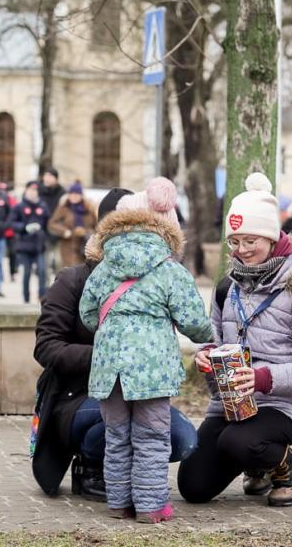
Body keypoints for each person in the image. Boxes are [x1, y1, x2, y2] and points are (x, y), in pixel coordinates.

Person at [33, 187, 200, 505]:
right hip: (80, 396)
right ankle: (91, 465)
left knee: (182, 438)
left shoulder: (156, 276)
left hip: (139, 388)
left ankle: (136, 486)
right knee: (118, 425)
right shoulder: (74, 280)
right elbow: (47, 347)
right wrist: (111, 357)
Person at [178, 173, 292, 509]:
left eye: (251, 241)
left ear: (271, 237)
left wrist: (263, 378)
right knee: (193, 486)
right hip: (231, 405)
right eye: (234, 242)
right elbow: (213, 341)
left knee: (239, 442)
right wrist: (206, 356)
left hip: (282, 406)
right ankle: (256, 463)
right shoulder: (225, 289)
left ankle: (285, 467)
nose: (241, 250)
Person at [79, 178, 213, 522]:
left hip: (109, 370)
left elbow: (87, 314)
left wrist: (113, 332)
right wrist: (210, 334)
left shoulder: (104, 266)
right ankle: (152, 506)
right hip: (152, 371)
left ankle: (119, 503)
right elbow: (194, 322)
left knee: (117, 436)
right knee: (152, 436)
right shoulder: (170, 271)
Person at [6, 181, 50, 304]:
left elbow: (48, 224)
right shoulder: (19, 207)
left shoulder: (43, 206)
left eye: (35, 191)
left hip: (39, 245)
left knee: (42, 271)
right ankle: (26, 297)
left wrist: (44, 234)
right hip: (24, 245)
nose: (32, 193)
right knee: (26, 273)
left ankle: (42, 296)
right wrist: (25, 227)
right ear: (26, 191)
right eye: (30, 190)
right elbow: (11, 223)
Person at [49, 182, 98, 269]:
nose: (73, 196)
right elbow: (52, 224)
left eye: (76, 194)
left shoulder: (89, 209)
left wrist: (85, 232)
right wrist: (64, 231)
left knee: (83, 274)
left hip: (85, 247)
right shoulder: (63, 208)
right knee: (69, 273)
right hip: (68, 247)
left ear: (81, 195)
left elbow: (97, 227)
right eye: (71, 194)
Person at [38, 167, 66, 278]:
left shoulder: (63, 193)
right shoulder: (39, 191)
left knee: (59, 263)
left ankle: (58, 287)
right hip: (44, 233)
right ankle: (45, 289)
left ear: (56, 179)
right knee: (44, 265)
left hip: (59, 233)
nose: (47, 178)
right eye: (46, 175)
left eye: (50, 176)